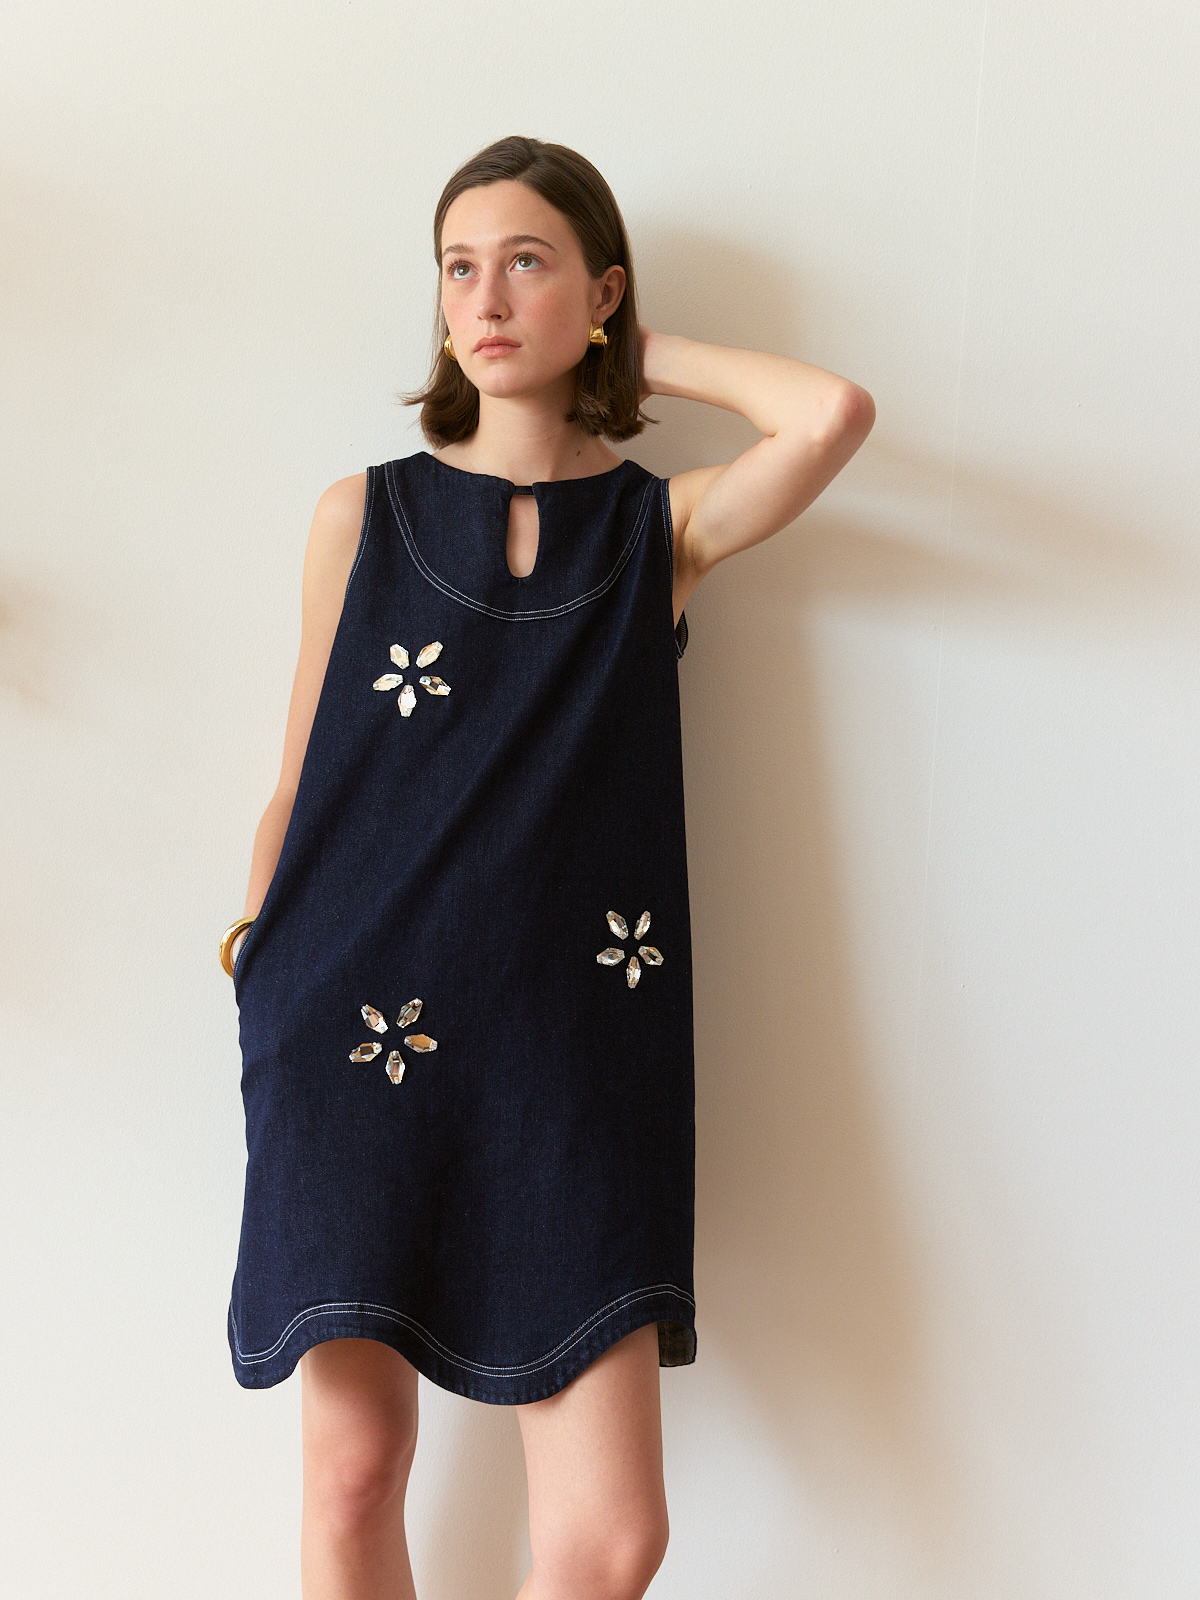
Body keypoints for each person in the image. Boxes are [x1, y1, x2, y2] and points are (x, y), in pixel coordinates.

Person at [220, 135, 874, 1600]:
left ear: (603, 291)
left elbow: (830, 415)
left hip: (570, 1055)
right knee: (352, 1474)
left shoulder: (657, 529)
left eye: (527, 263)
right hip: (351, 1031)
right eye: (459, 268)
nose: (486, 298)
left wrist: (633, 355)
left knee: (610, 1537)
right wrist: (256, 960)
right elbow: (299, 785)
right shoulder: (362, 517)